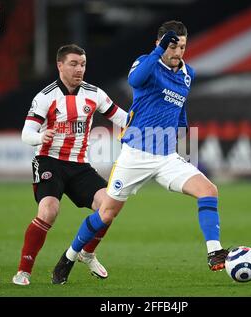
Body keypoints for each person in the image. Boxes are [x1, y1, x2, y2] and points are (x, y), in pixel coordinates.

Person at [51, 21, 228, 285]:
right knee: (107, 214)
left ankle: (214, 252)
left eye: (182, 45)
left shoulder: (187, 73)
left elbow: (181, 106)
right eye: (172, 44)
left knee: (209, 190)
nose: (178, 51)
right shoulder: (146, 63)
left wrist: (182, 127)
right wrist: (158, 52)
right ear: (159, 44)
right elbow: (134, 80)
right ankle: (69, 256)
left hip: (167, 156)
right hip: (136, 154)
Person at [12, 44, 128, 285]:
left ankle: (87, 252)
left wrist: (148, 117)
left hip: (79, 165)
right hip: (49, 161)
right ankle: (24, 271)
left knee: (110, 205)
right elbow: (26, 133)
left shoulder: (94, 94)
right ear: (60, 65)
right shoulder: (45, 97)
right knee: (49, 210)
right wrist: (39, 137)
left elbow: (123, 118)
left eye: (83, 64)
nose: (79, 69)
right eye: (74, 64)